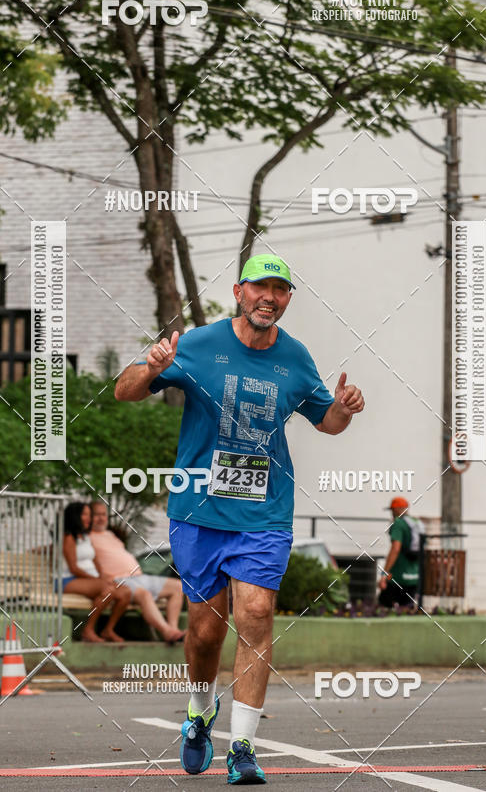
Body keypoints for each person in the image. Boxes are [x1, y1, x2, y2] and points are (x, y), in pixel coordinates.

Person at [114, 253, 365, 785]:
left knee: (256, 613)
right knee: (206, 630)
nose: (268, 297)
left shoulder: (295, 359)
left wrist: (344, 407)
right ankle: (199, 713)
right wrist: (151, 367)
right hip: (199, 510)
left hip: (264, 512)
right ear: (238, 292)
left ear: (288, 299)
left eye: (279, 289)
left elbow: (327, 422)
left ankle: (244, 746)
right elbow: (124, 391)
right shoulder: (199, 344)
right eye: (259, 288)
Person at [90, 501, 186, 644]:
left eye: (103, 514)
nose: (101, 518)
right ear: (88, 517)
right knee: (143, 594)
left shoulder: (110, 535)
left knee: (178, 587)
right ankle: (167, 633)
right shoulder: (86, 537)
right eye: (96, 514)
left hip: (138, 576)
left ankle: (173, 629)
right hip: (118, 581)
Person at [61, 501, 131, 643]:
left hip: (89, 580)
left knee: (125, 592)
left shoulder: (86, 537)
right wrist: (96, 580)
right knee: (107, 590)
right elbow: (73, 568)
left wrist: (102, 576)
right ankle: (88, 631)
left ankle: (108, 630)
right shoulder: (68, 538)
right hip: (68, 580)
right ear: (75, 516)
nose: (89, 518)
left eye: (89, 514)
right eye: (85, 514)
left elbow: (95, 561)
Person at [378, 496, 425, 609]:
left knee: (383, 605)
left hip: (397, 577)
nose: (392, 513)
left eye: (392, 510)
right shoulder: (417, 523)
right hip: (414, 577)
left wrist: (385, 573)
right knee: (406, 609)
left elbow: (395, 549)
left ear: (397, 509)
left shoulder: (399, 524)